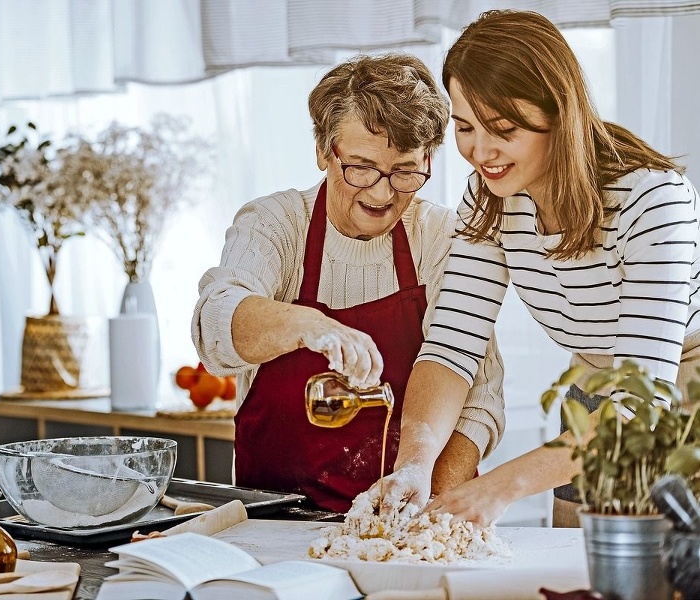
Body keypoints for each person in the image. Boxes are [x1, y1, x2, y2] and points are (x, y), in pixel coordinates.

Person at [378, 9, 700, 527]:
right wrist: (415, 463)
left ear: (560, 113)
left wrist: (499, 487)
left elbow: (645, 399)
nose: (481, 152)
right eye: (464, 127)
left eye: (503, 128)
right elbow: (452, 346)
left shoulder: (653, 198)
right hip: (595, 394)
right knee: (574, 572)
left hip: (681, 396)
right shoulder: (490, 201)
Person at [191, 53, 505, 513]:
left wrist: (425, 509)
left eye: (404, 171)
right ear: (323, 150)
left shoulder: (442, 237)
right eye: (360, 167)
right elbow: (214, 327)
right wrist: (306, 324)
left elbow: (479, 398)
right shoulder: (276, 223)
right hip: (278, 525)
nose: (381, 193)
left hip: (411, 524)